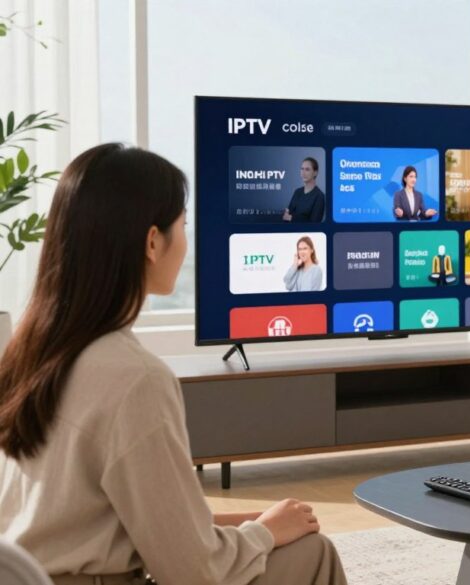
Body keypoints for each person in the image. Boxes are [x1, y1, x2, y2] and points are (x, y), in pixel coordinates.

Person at [0, 144, 346, 585]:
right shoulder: (135, 378)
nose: (186, 240)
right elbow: (193, 572)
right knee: (313, 552)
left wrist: (256, 520)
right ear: (151, 241)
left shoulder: (28, 354)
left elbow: (120, 518)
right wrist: (263, 534)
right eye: (183, 225)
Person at [283, 157, 325, 223]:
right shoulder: (297, 192)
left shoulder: (319, 196)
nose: (303, 172)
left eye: (307, 169)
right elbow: (288, 214)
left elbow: (314, 223)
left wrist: (292, 218)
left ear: (315, 173)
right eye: (302, 169)